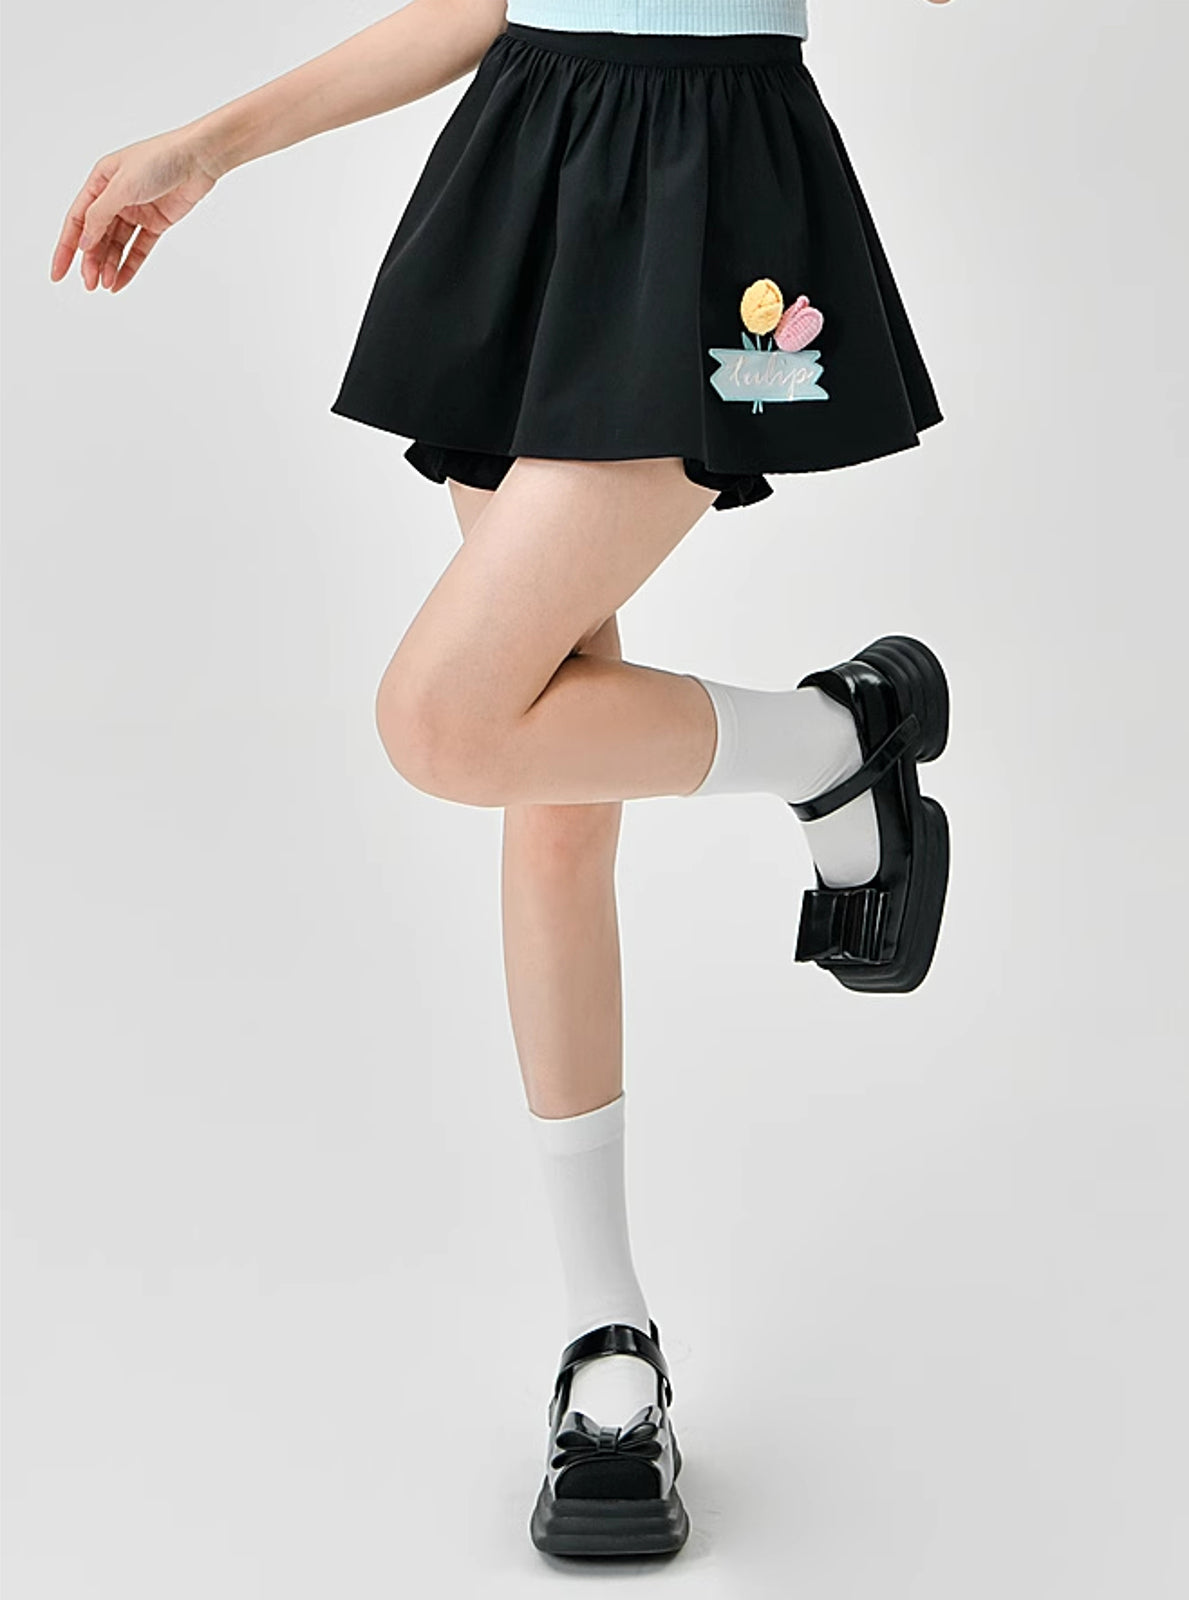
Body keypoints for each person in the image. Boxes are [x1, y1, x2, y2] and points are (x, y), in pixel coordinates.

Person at [50, 0, 956, 1559]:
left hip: (704, 182)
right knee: (549, 793)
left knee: (446, 722)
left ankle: (833, 744)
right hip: (530, 173)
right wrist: (207, 147)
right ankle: (609, 1341)